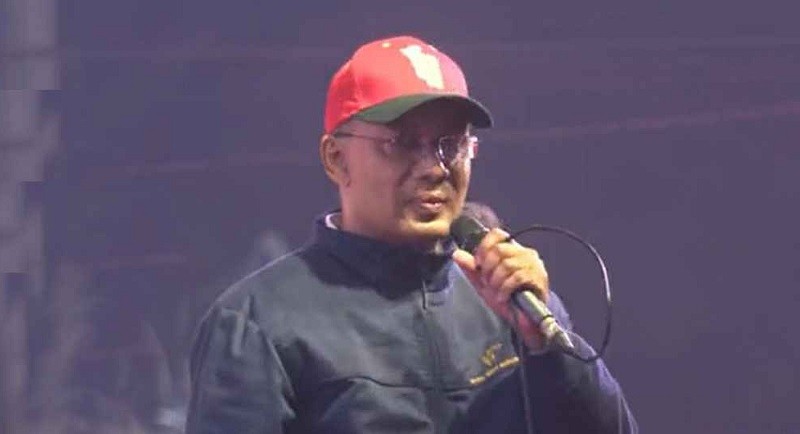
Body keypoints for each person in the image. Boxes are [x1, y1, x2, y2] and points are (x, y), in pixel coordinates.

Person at [186, 35, 637, 433]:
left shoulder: (511, 299)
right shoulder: (258, 321)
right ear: (336, 159)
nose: (434, 168)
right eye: (400, 143)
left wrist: (548, 348)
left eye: (451, 144)